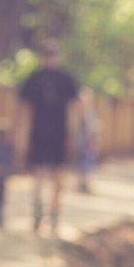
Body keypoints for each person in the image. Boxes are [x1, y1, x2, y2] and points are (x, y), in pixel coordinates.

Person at [18, 41, 79, 235]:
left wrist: (72, 133)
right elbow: (25, 109)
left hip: (59, 134)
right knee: (38, 177)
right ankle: (38, 214)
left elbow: (74, 107)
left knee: (58, 178)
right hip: (39, 134)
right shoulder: (34, 78)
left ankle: (53, 214)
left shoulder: (65, 78)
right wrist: (22, 135)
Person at [75, 88, 98, 193]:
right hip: (81, 141)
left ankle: (85, 183)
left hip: (87, 141)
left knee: (87, 163)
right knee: (81, 163)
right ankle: (81, 183)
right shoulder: (79, 112)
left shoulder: (90, 112)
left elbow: (92, 128)